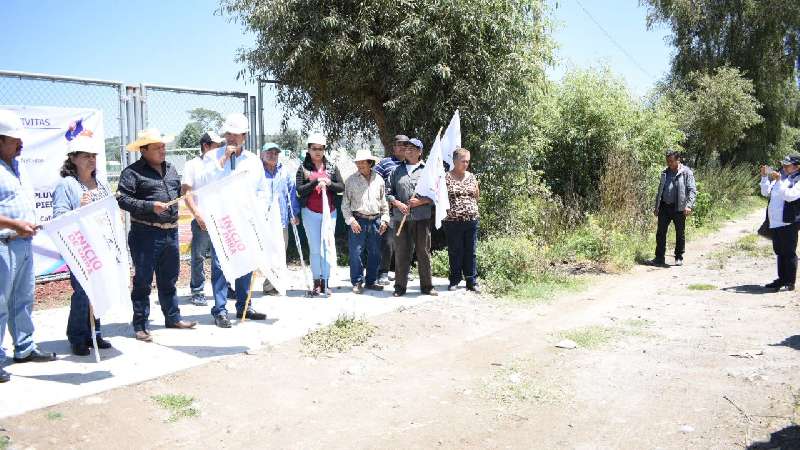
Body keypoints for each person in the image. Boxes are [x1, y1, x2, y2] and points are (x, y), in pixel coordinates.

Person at [117, 128, 198, 342]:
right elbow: (122, 199)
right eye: (158, 147)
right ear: (144, 150)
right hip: (145, 234)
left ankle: (173, 318)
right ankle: (140, 325)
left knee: (169, 279)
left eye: (164, 146)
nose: (163, 150)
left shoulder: (171, 169)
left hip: (170, 233)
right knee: (143, 281)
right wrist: (150, 206)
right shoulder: (132, 173)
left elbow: (179, 192)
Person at [196, 112, 269, 327]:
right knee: (220, 265)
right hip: (222, 221)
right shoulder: (211, 157)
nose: (232, 138)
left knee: (246, 263)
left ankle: (244, 305)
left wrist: (259, 214)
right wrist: (223, 160)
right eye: (229, 133)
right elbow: (203, 183)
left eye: (237, 134)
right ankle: (220, 309)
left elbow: (261, 190)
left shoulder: (254, 161)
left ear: (244, 136)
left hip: (245, 221)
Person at [0, 109, 56, 382]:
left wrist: (28, 224)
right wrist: (14, 225)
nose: (21, 144)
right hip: (3, 245)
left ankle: (24, 347)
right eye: (14, 139)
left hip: (22, 243)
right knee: (0, 303)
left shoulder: (17, 168)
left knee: (23, 300)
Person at [52, 136, 114, 356]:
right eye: (86, 156)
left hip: (102, 246)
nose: (91, 160)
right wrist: (79, 207)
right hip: (80, 248)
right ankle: (77, 336)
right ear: (73, 158)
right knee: (82, 291)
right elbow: (59, 217)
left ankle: (94, 333)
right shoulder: (66, 185)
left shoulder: (102, 184)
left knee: (99, 289)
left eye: (94, 155)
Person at [386, 138, 437, 297]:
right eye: (407, 147)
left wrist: (421, 201)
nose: (408, 149)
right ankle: (399, 287)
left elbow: (436, 194)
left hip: (422, 218)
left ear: (420, 151)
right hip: (401, 219)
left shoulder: (427, 171)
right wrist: (397, 203)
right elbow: (388, 193)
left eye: (413, 148)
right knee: (401, 252)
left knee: (423, 252)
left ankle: (427, 286)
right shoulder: (396, 171)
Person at [296, 133, 344, 297]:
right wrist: (316, 181)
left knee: (328, 247)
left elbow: (341, 187)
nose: (317, 151)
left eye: (320, 148)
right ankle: (317, 281)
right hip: (310, 213)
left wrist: (329, 183)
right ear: (308, 150)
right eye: (314, 148)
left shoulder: (331, 167)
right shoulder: (303, 168)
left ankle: (326, 282)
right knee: (315, 248)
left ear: (324, 150)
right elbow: (300, 190)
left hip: (329, 213)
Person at [181, 131, 224, 306]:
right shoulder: (192, 165)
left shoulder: (223, 164)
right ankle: (197, 291)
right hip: (202, 220)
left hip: (221, 218)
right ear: (206, 146)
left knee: (221, 256)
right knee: (198, 256)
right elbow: (186, 191)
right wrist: (198, 215)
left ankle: (224, 288)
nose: (220, 148)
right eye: (216, 145)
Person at [341, 149, 389, 293]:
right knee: (356, 253)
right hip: (358, 220)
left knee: (375, 253)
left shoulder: (379, 179)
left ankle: (371, 281)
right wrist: (351, 220)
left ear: (370, 163)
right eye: (358, 162)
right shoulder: (351, 180)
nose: (360, 165)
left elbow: (384, 202)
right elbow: (345, 204)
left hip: (375, 221)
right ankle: (357, 282)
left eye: (363, 162)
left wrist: (385, 219)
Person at [260, 142, 300, 295]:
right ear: (262, 154)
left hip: (281, 220)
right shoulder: (257, 172)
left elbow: (291, 195)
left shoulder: (284, 173)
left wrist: (293, 214)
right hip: (262, 221)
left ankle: (271, 285)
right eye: (269, 152)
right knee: (264, 254)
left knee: (279, 252)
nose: (272, 155)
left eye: (275, 153)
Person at [649, 150, 697, 267]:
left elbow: (692, 191)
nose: (669, 163)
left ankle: (679, 256)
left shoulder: (686, 173)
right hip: (665, 206)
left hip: (679, 208)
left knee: (680, 233)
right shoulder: (665, 173)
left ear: (678, 160)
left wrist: (688, 206)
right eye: (667, 161)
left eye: (671, 161)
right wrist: (657, 206)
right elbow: (660, 191)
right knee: (660, 232)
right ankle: (659, 258)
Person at [759, 154, 800, 291]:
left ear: (797, 166)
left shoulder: (798, 180)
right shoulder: (781, 176)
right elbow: (765, 193)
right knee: (779, 251)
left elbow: (790, 196)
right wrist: (765, 177)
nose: (784, 167)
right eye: (783, 164)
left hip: (789, 222)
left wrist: (779, 181)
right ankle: (781, 279)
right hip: (775, 221)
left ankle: (790, 282)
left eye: (787, 165)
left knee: (789, 252)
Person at [443, 148, 480, 293]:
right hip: (452, 221)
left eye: (468, 161)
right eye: (463, 161)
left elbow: (476, 195)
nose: (466, 164)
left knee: (471, 251)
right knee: (455, 251)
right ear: (454, 161)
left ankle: (471, 281)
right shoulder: (446, 177)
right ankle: (455, 280)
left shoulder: (471, 176)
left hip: (471, 220)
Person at [374, 135, 409, 285]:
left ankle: (403, 272)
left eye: (405, 145)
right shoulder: (384, 163)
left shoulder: (412, 163)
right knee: (388, 241)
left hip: (408, 211)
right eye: (399, 145)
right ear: (393, 147)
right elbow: (373, 181)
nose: (402, 147)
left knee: (406, 242)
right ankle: (383, 272)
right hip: (389, 210)